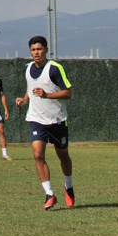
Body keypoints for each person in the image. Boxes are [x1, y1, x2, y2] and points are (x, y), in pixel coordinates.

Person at [14, 35, 75, 210]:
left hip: (57, 120)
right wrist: (25, 99)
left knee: (63, 155)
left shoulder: (54, 68)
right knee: (38, 155)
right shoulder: (27, 68)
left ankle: (68, 187)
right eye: (33, 50)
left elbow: (67, 93)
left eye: (39, 49)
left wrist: (47, 94)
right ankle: (49, 194)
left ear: (46, 50)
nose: (36, 53)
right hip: (36, 119)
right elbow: (30, 86)